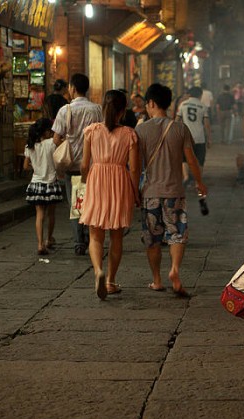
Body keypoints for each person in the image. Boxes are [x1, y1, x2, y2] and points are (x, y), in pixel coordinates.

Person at [136, 83, 208, 295]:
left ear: (151, 103)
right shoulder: (179, 128)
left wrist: (133, 189)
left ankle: (157, 280)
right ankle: (175, 270)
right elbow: (192, 160)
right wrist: (199, 182)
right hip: (175, 191)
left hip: (150, 193)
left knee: (152, 238)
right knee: (177, 234)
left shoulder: (141, 130)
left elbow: (135, 164)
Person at [79, 90, 140, 300]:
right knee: (116, 236)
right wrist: (135, 191)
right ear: (122, 111)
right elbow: (134, 169)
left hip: (97, 180)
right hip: (119, 182)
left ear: (103, 107)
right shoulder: (130, 134)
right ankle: (111, 281)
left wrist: (87, 181)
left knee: (95, 235)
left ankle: (98, 271)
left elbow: (84, 164)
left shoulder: (91, 131)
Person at [52, 73, 103, 256]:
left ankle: (79, 242)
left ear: (72, 88)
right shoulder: (97, 109)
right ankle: (91, 237)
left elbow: (56, 138)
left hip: (72, 165)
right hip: (92, 165)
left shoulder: (65, 111)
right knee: (90, 202)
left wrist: (69, 144)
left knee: (75, 204)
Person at [24, 118, 63, 255]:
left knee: (39, 215)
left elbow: (25, 166)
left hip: (36, 183)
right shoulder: (51, 144)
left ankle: (40, 244)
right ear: (46, 131)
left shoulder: (30, 146)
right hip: (51, 183)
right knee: (51, 214)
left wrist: (35, 166)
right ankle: (49, 239)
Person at [177, 86, 211, 184]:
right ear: (200, 95)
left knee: (184, 158)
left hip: (186, 137)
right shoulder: (202, 106)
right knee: (200, 159)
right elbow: (207, 124)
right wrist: (209, 138)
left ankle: (186, 176)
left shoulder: (183, 104)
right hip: (199, 137)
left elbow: (177, 120)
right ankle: (198, 180)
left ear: (190, 94)